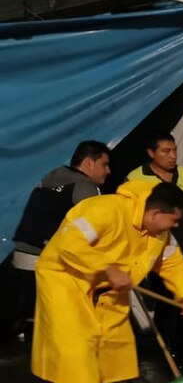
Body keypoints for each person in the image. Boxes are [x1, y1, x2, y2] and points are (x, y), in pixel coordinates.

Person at [32, 181, 183, 383]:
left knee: (119, 344)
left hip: (110, 288)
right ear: (155, 214)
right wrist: (107, 268)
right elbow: (69, 243)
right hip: (66, 280)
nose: (176, 226)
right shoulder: (106, 210)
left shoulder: (159, 234)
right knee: (75, 349)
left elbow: (172, 262)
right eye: (174, 220)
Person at [4, 140, 111, 341]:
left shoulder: (49, 178)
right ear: (89, 163)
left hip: (20, 258)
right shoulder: (85, 187)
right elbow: (95, 231)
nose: (109, 171)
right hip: (48, 262)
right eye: (104, 165)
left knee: (38, 319)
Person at [127, 132, 183, 370]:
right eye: (165, 151)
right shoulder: (136, 178)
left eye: (174, 150)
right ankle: (170, 355)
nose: (172, 156)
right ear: (151, 153)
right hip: (156, 253)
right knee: (167, 304)